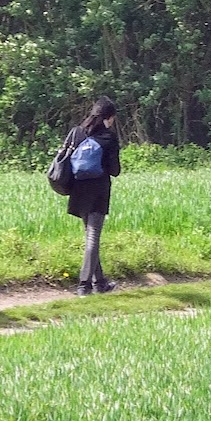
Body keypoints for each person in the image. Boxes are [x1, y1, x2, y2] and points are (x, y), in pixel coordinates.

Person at [66, 96, 121, 295]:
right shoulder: (108, 137)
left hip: (78, 192)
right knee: (93, 239)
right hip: (98, 192)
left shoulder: (77, 132)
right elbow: (115, 170)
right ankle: (84, 285)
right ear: (109, 117)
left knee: (91, 236)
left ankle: (100, 284)